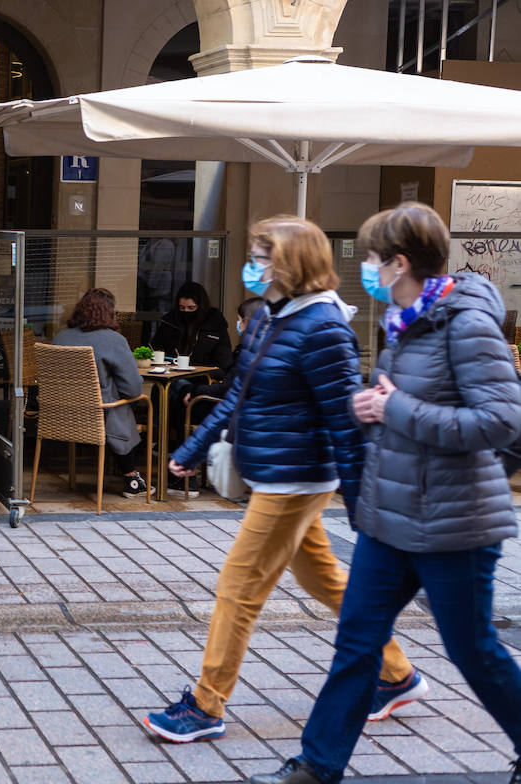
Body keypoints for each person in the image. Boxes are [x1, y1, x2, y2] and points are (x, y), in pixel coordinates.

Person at [249, 204, 521, 784]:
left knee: (474, 650)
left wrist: (395, 407)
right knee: (357, 643)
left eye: (371, 259)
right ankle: (317, 768)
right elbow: (408, 411)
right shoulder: (403, 320)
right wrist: (373, 412)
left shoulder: (465, 324)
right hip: (390, 518)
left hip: (454, 524)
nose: (365, 268)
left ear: (398, 264)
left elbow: (500, 422)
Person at [144, 217, 417, 745]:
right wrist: (193, 448)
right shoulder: (273, 315)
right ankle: (396, 673)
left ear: (292, 262)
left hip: (298, 477)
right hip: (276, 471)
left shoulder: (324, 327)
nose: (254, 264)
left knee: (237, 588)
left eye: (262, 255)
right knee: (323, 579)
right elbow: (239, 392)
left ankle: (206, 705)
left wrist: (360, 507)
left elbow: (345, 422)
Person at [51, 288, 152, 499]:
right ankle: (131, 476)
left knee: (114, 397)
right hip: (100, 415)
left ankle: (129, 474)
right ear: (109, 312)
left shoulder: (61, 337)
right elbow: (133, 388)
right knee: (127, 402)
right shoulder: (114, 340)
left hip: (60, 415)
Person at [165, 295, 266, 500]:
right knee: (180, 390)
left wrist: (197, 392)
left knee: (182, 397)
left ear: (248, 321)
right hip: (253, 415)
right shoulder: (275, 346)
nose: (238, 324)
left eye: (240, 319)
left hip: (234, 410)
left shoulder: (250, 349)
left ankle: (179, 467)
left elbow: (231, 390)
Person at [151, 281, 232, 373]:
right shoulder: (170, 322)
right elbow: (155, 348)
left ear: (201, 306)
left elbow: (223, 361)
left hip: (203, 376)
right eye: (182, 307)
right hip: (170, 373)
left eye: (191, 308)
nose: (186, 311)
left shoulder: (215, 325)